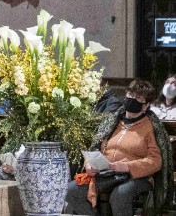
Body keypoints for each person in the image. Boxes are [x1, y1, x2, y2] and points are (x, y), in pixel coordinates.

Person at [65, 80, 173, 216]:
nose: (132, 99)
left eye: (138, 97)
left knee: (120, 194)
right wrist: (89, 164)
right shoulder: (112, 121)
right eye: (130, 94)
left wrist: (127, 166)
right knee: (72, 190)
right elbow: (95, 148)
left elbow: (155, 161)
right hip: (107, 173)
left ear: (146, 105)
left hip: (136, 177)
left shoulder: (150, 127)